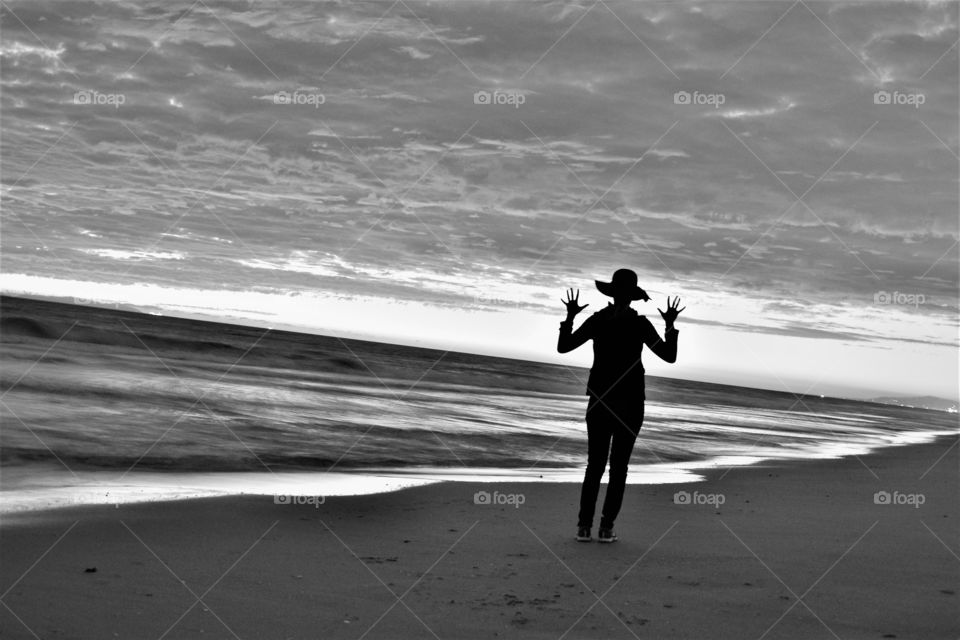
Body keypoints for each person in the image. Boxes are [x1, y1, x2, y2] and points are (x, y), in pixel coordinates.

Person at [558, 268, 684, 543]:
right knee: (618, 468)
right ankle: (606, 528)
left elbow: (563, 347)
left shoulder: (598, 320)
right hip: (630, 404)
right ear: (633, 297)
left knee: (595, 466)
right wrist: (670, 325)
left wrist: (570, 317)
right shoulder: (640, 324)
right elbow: (669, 357)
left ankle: (583, 527)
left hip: (600, 401)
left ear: (612, 293)